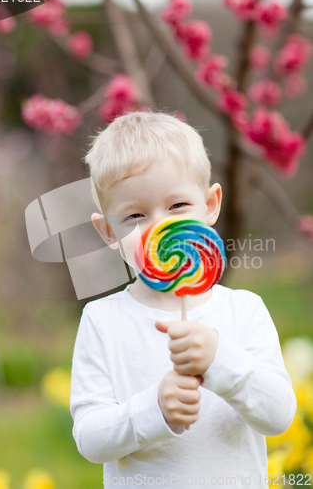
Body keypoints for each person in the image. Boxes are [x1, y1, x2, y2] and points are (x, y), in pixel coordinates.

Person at [70, 110, 297, 488]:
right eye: (136, 215)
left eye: (177, 206)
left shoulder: (243, 310)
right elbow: (90, 440)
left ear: (210, 205)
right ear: (107, 230)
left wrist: (220, 362)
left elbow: (279, 416)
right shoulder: (102, 320)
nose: (161, 226)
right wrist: (152, 411)